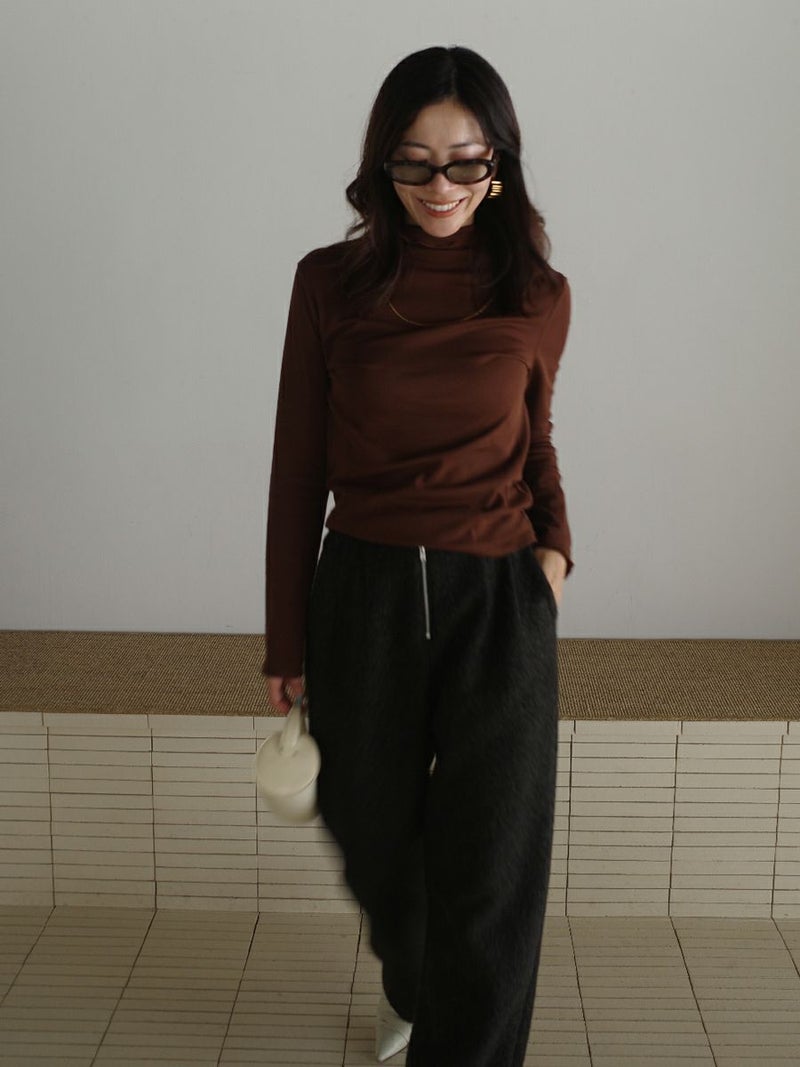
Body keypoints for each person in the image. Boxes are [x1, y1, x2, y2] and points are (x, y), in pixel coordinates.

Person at [263, 45, 572, 1067]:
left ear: (499, 165)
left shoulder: (538, 293)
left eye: (465, 161)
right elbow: (297, 468)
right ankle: (413, 975)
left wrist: (555, 552)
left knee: (492, 872)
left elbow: (534, 438)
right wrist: (285, 639)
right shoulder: (329, 283)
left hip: (498, 598)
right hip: (365, 592)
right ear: (381, 164)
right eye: (414, 161)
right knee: (373, 836)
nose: (440, 186)